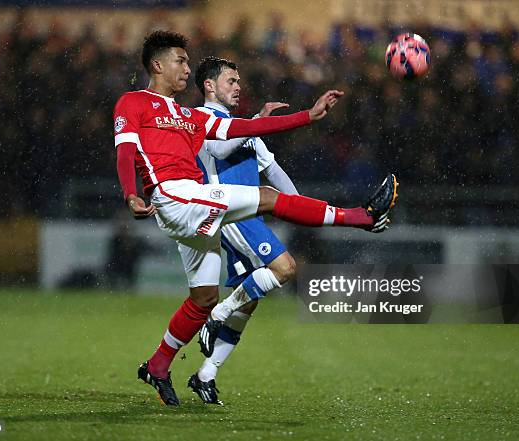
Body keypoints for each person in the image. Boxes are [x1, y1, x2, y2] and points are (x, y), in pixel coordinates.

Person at [114, 30, 397, 406]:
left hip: (192, 205)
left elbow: (244, 128)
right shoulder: (133, 103)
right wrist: (130, 193)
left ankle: (159, 365)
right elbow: (125, 152)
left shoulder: (187, 116)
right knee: (267, 199)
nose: (186, 68)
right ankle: (363, 216)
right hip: (174, 195)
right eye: (180, 61)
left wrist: (307, 117)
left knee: (203, 299)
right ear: (157, 64)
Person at [187, 56, 301, 405]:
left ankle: (206, 374)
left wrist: (301, 207)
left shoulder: (244, 127)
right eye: (231, 81)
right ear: (210, 85)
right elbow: (219, 147)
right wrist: (255, 123)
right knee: (285, 269)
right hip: (232, 215)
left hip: (250, 215)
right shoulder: (202, 118)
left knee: (248, 303)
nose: (238, 87)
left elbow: (273, 170)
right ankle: (216, 315)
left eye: (239, 82)